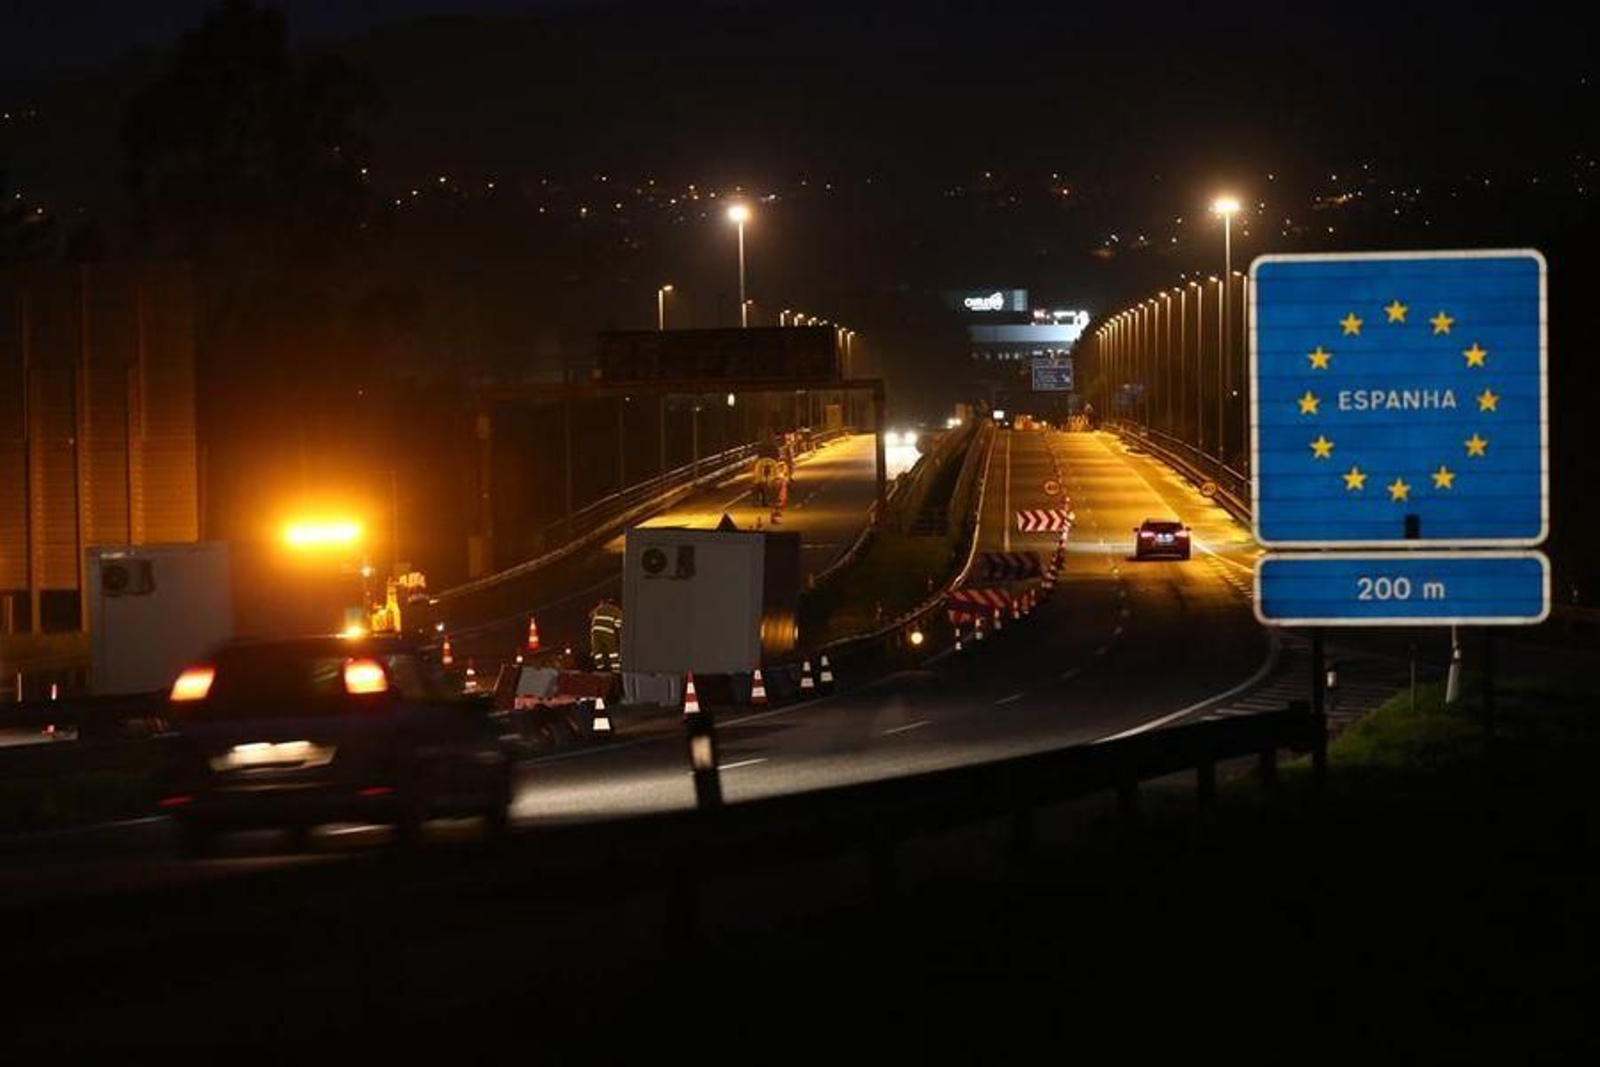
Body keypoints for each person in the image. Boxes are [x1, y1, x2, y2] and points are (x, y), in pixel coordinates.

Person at [588, 597, 623, 673]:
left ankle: (599, 666)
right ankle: (616, 668)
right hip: (607, 631)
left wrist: (599, 606)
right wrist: (617, 627)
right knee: (612, 650)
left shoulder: (600, 607)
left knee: (597, 650)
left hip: (595, 631)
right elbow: (618, 623)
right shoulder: (616, 609)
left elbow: (590, 615)